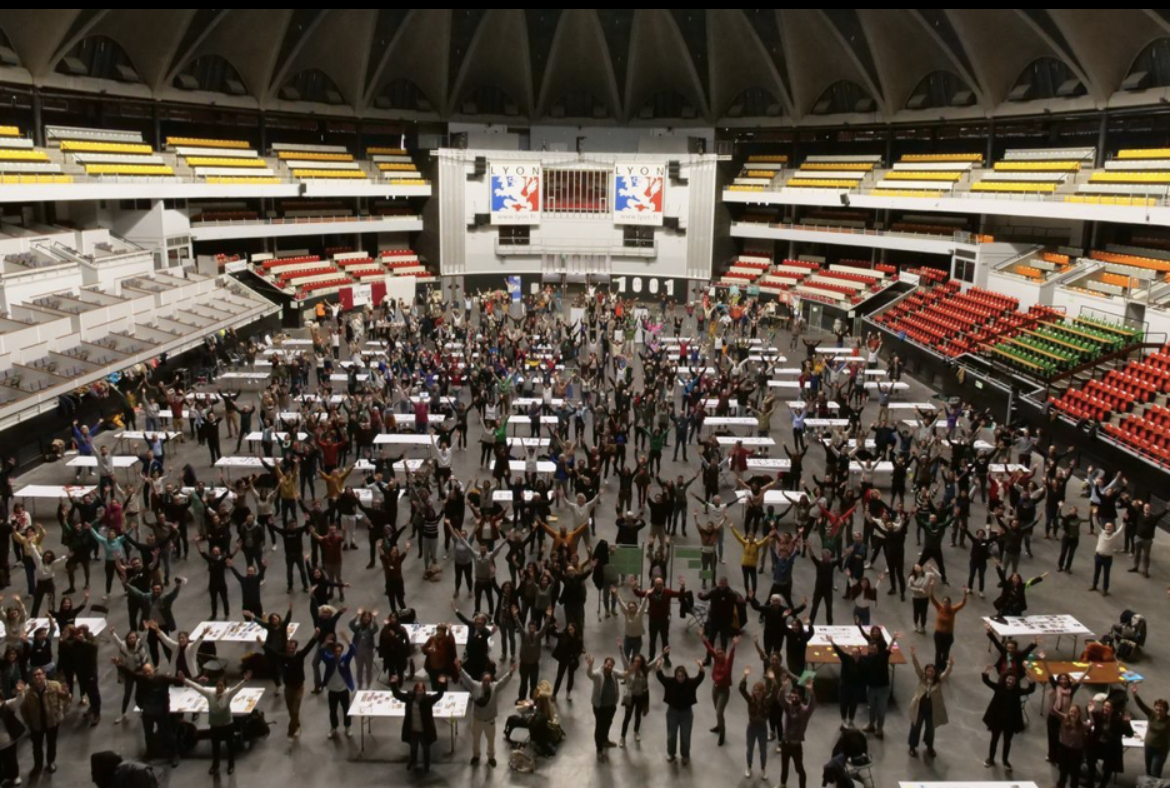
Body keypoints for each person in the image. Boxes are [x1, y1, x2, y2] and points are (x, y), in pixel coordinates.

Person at [183, 672, 251, 775]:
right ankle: (215, 765)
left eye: (221, 686)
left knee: (230, 746)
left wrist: (245, 680)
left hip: (227, 725)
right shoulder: (210, 694)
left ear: (224, 687)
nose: (219, 687)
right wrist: (185, 680)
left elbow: (238, 688)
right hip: (215, 726)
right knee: (215, 747)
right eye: (218, 685)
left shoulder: (228, 694)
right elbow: (198, 688)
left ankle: (231, 764)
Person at [460, 658, 515, 768]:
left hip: (489, 720)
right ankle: (476, 756)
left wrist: (510, 673)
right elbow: (467, 678)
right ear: (481, 680)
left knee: (491, 740)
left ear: (490, 681)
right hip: (477, 719)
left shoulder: (494, 687)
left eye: (488, 681)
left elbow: (503, 682)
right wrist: (460, 669)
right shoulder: (475, 686)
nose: (486, 683)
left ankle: (491, 757)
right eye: (484, 681)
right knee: (476, 740)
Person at [655, 647, 704, 765]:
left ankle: (685, 755)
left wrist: (701, 666)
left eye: (682, 676)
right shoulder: (670, 682)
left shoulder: (690, 683)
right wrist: (658, 666)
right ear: (675, 676)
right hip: (672, 712)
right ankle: (671, 753)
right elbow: (660, 676)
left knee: (685, 736)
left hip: (686, 713)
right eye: (678, 676)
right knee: (671, 735)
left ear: (685, 676)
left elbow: (700, 677)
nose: (680, 678)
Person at [389, 674, 447, 773]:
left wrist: (442, 683)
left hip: (424, 730)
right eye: (418, 690)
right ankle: (413, 761)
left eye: (421, 690)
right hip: (413, 729)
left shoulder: (428, 700)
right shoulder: (409, 698)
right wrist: (393, 684)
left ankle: (426, 765)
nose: (419, 692)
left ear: (424, 691)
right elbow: (397, 694)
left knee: (426, 748)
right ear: (415, 690)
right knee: (413, 747)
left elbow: (439, 695)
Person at [981, 668, 1035, 771]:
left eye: (1012, 680)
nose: (1010, 682)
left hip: (1010, 722)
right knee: (994, 740)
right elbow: (987, 682)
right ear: (1005, 679)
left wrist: (1031, 681)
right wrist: (985, 674)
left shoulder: (1017, 691)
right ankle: (991, 759)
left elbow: (1030, 690)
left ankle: (1005, 761)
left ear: (1015, 682)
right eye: (1008, 679)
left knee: (1007, 742)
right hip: (997, 720)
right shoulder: (999, 687)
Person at [907, 646, 953, 758]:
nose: (930, 673)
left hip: (931, 710)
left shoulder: (938, 681)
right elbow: (917, 667)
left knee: (930, 730)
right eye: (928, 670)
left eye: (932, 671)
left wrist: (950, 665)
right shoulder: (922, 678)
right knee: (915, 727)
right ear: (926, 671)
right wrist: (913, 656)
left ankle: (929, 747)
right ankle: (912, 747)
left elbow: (946, 674)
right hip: (920, 707)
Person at [777, 672, 816, 788]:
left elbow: (812, 705)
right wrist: (783, 687)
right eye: (792, 696)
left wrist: (811, 691)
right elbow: (780, 699)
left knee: (799, 769)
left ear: (800, 698)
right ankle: (783, 784)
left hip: (796, 746)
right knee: (784, 766)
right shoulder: (788, 707)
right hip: (785, 743)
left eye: (796, 697)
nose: (793, 698)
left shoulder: (804, 711)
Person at [585, 653, 623, 762]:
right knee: (600, 727)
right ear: (604, 664)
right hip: (600, 707)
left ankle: (605, 740)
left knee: (608, 723)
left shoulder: (614, 673)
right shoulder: (598, 674)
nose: (609, 667)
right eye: (607, 665)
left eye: (611, 666)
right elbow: (590, 674)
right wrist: (590, 666)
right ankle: (599, 749)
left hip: (611, 706)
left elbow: (624, 674)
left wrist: (631, 668)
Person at [740, 666, 774, 780]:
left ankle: (763, 768)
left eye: (759, 691)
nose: (757, 693)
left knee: (763, 749)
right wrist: (745, 677)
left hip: (762, 728)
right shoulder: (751, 700)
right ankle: (749, 766)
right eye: (755, 691)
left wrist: (773, 679)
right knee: (750, 748)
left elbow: (775, 692)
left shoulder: (767, 701)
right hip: (752, 727)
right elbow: (742, 689)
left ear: (763, 692)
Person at [1130, 683, 1170, 778]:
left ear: (1166, 710)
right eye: (1157, 706)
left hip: (1160, 750)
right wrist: (1135, 694)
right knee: (1148, 770)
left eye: (1161, 707)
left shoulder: (1168, 721)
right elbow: (1142, 706)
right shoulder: (1152, 714)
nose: (1158, 709)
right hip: (1148, 746)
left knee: (1155, 772)